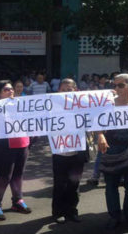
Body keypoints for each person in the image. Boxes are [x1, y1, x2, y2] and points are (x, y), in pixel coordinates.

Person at [97, 74, 128, 230]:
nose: (116, 88)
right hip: (111, 147)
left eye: (120, 85)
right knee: (111, 185)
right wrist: (100, 135)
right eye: (114, 85)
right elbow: (96, 123)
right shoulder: (106, 105)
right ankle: (114, 216)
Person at [0, 80, 31, 221]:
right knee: (4, 177)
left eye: (11, 89)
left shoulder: (21, 104)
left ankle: (17, 201)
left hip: (22, 143)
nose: (11, 91)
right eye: (6, 89)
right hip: (2, 146)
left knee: (18, 175)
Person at [51, 78, 87, 224]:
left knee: (74, 184)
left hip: (77, 151)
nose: (66, 92)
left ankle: (72, 211)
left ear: (76, 91)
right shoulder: (51, 105)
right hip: (59, 151)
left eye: (69, 89)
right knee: (60, 183)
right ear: (58, 91)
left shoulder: (83, 105)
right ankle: (58, 212)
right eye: (63, 89)